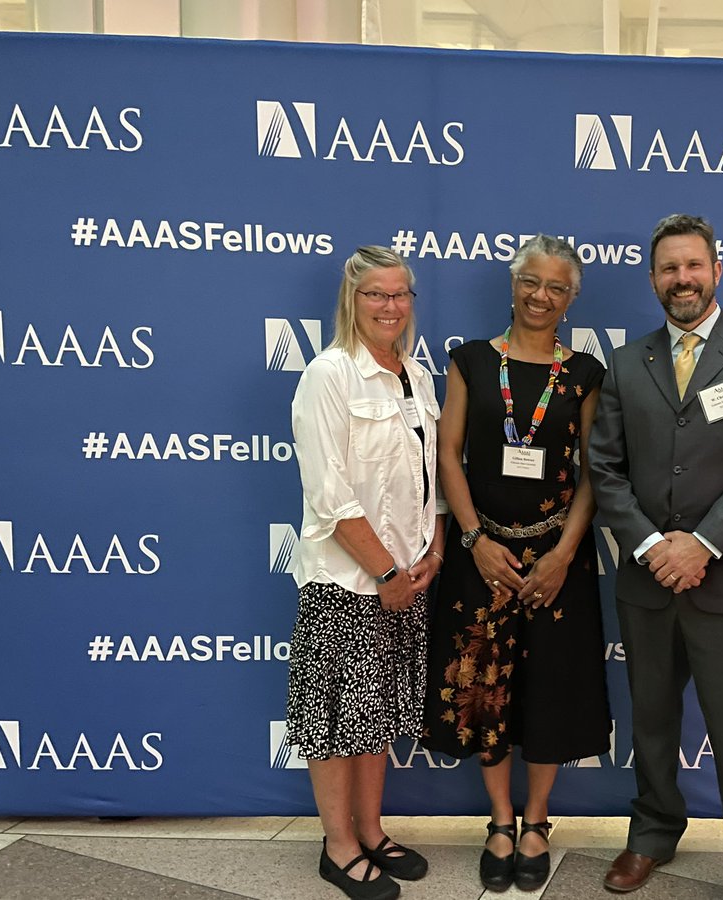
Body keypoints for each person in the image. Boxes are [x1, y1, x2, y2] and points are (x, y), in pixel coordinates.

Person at [588, 214, 723, 899]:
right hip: (648, 582)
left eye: (693, 266)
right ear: (653, 279)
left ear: (717, 270)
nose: (682, 279)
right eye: (668, 269)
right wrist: (654, 547)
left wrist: (701, 544)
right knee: (650, 722)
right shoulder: (627, 363)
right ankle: (651, 835)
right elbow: (607, 471)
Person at [421, 234, 612, 892]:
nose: (542, 296)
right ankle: (500, 821)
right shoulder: (471, 361)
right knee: (484, 689)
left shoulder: (584, 372)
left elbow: (596, 472)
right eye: (532, 281)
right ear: (513, 283)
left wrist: (562, 554)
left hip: (559, 561)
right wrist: (474, 539)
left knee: (553, 688)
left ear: (572, 298)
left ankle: (536, 821)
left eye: (557, 287)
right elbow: (448, 456)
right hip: (484, 554)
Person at [286, 246, 448, 900]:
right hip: (350, 584)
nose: (390, 307)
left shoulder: (417, 375)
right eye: (376, 295)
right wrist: (385, 572)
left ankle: (373, 830)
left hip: (405, 581)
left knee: (375, 717)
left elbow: (427, 477)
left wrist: (431, 553)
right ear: (352, 301)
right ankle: (339, 845)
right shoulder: (329, 375)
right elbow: (330, 495)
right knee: (334, 721)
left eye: (401, 294)